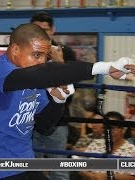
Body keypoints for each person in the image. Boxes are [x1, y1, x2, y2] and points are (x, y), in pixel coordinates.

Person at [0, 23, 135, 180]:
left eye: (45, 56)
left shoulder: (35, 81)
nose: (41, 61)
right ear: (15, 49)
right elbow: (45, 72)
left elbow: (45, 125)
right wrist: (104, 68)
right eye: (36, 55)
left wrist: (57, 99)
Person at [30, 11, 77, 180]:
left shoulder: (66, 52)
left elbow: (71, 89)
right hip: (30, 120)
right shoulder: (25, 54)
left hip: (58, 121)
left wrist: (59, 63)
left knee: (59, 171)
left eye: (45, 29)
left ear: (52, 30)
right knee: (31, 170)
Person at [76, 111, 135, 180]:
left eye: (113, 128)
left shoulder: (133, 152)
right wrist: (90, 176)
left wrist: (108, 176)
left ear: (123, 129)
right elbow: (82, 169)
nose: (109, 132)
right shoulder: (95, 145)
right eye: (106, 128)